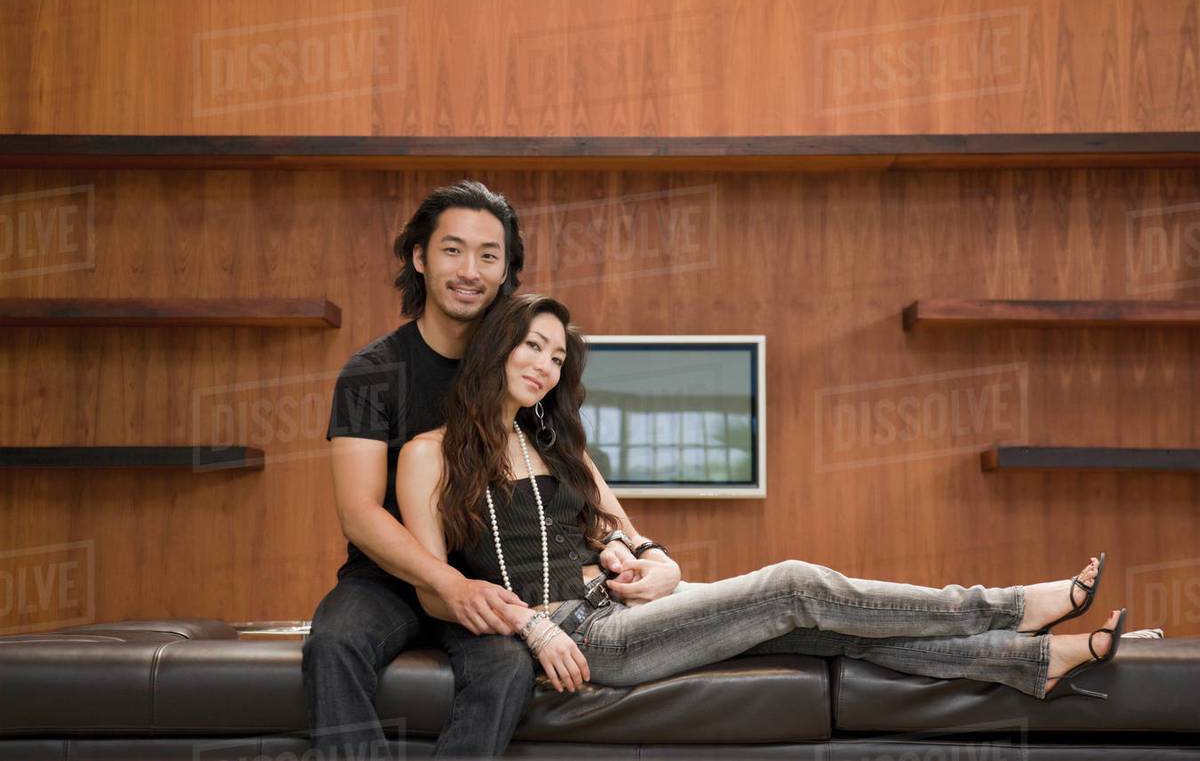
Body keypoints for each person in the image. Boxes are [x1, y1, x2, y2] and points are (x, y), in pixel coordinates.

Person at [395, 293, 1127, 751]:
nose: (546, 365)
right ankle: (1009, 605)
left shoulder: (558, 447)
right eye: (532, 345)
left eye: (557, 355)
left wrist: (655, 562)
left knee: (831, 627)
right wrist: (532, 625)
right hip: (582, 634)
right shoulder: (429, 454)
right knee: (795, 585)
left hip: (620, 606)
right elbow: (436, 587)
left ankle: (1033, 661)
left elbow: (629, 534)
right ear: (496, 346)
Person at [302, 182, 684, 760]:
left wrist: (648, 553)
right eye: (453, 250)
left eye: (489, 255)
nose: (470, 270)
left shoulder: (524, 362)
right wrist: (449, 585)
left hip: (506, 577)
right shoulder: (372, 373)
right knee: (332, 644)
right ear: (419, 257)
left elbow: (585, 487)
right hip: (394, 575)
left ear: (507, 271)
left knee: (505, 668)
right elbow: (359, 513)